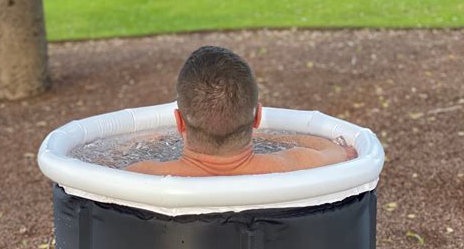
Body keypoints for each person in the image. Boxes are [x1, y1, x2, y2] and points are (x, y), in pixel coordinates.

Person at [126, 46, 357, 177]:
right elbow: (339, 151)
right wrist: (270, 137)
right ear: (257, 117)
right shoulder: (294, 164)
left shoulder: (142, 174)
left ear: (179, 122)